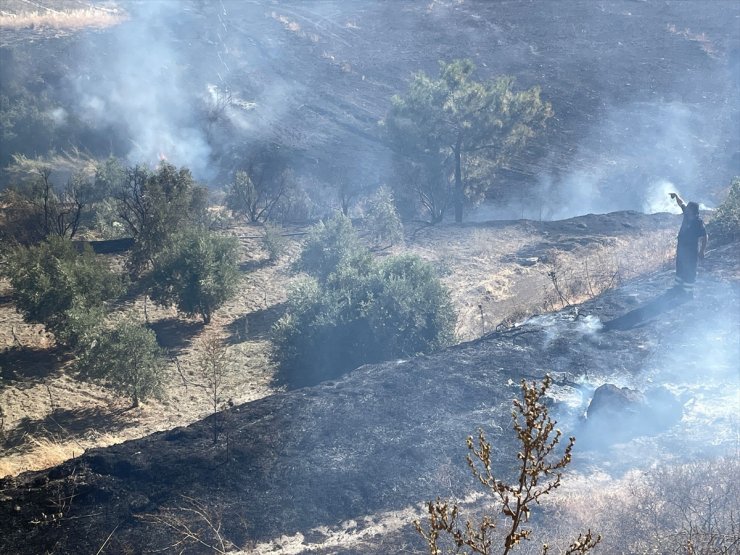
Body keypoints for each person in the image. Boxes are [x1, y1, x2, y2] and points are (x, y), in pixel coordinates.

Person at [669, 192, 707, 298]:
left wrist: (702, 251)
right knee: (680, 266)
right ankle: (678, 288)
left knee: (690, 269)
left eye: (689, 209)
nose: (687, 210)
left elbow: (705, 237)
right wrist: (676, 196)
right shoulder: (687, 214)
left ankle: (688, 292)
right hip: (681, 248)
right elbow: (681, 203)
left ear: (694, 212)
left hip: (691, 251)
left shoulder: (698, 222)